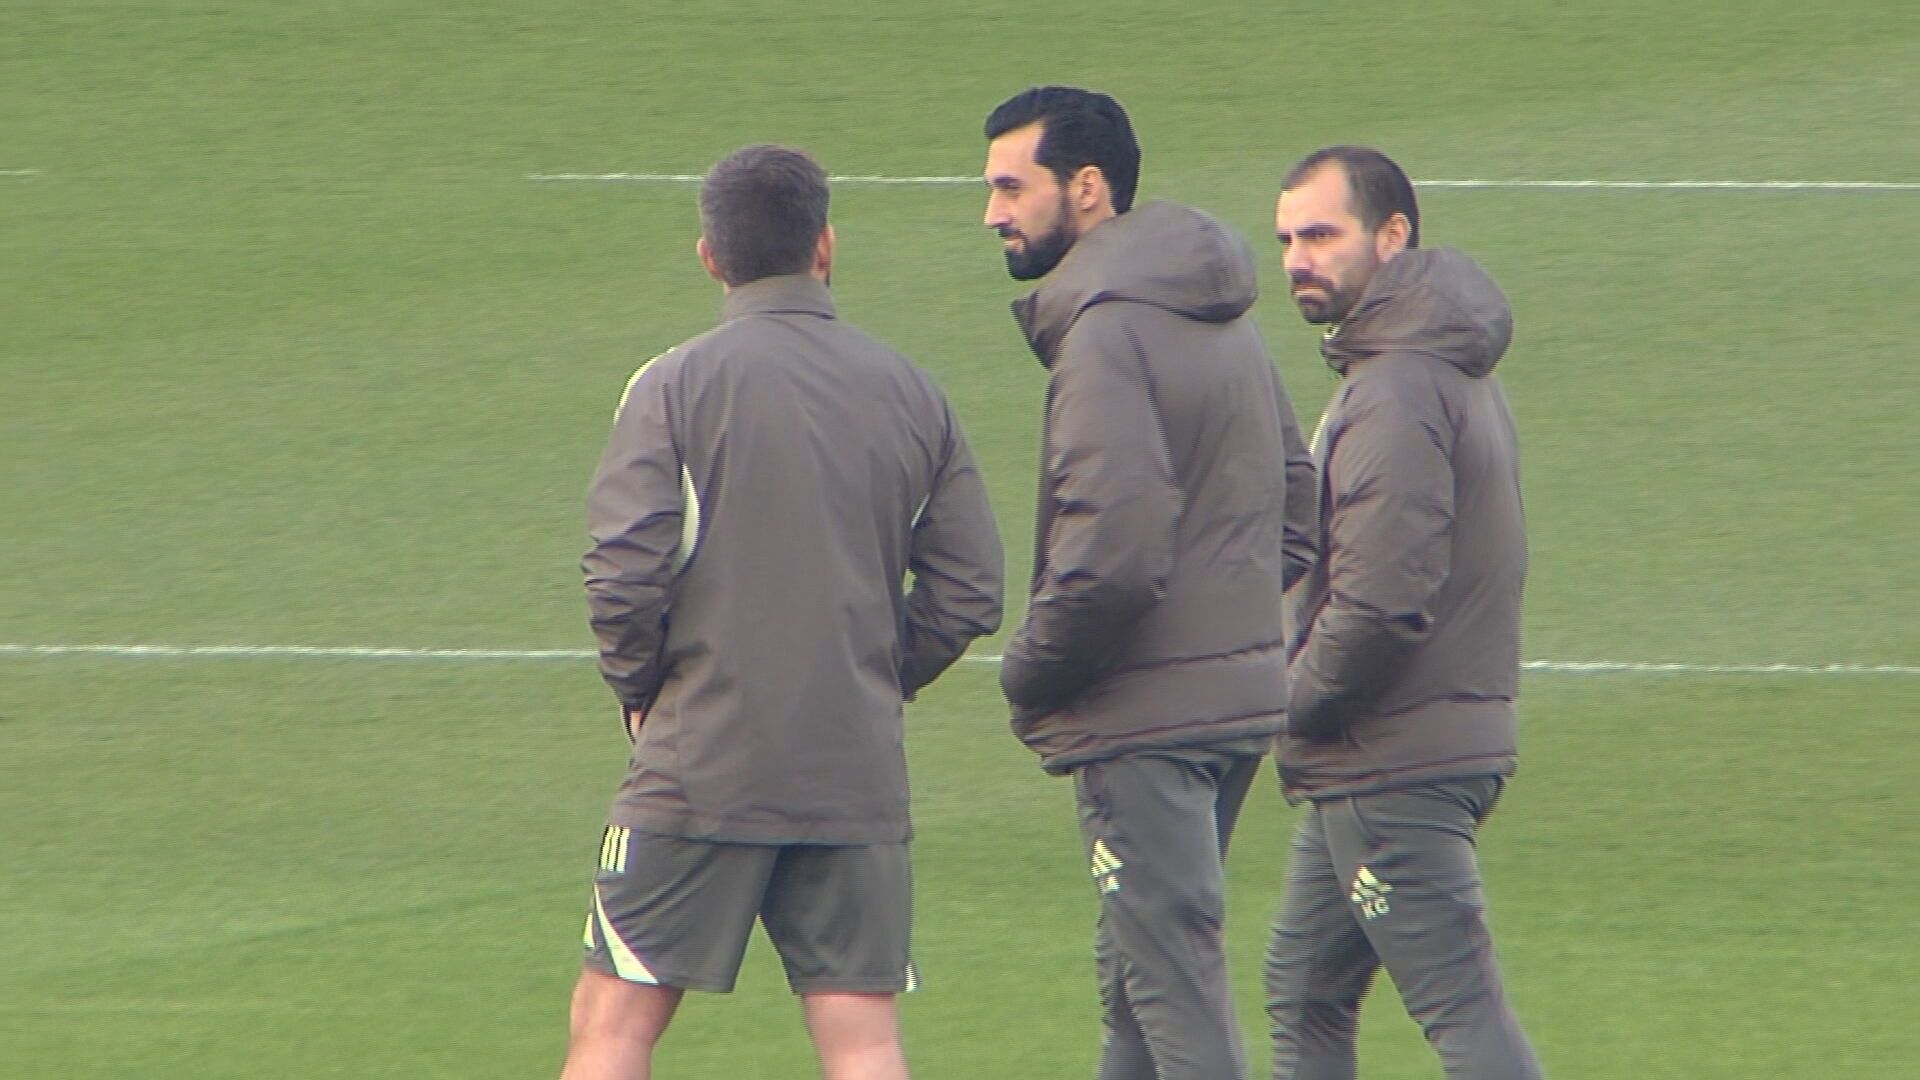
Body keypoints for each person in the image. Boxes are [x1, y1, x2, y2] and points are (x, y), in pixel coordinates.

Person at [561, 144, 1005, 1080]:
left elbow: (622, 573)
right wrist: (875, 672)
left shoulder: (674, 387)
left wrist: (642, 693)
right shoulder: (913, 391)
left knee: (613, 1026)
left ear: (710, 258)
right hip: (852, 770)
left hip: (700, 761)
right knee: (864, 1037)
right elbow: (971, 587)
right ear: (826, 246)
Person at [980, 86, 1317, 1080]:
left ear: (1086, 189)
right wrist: (1231, 622)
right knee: (1136, 979)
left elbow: (1110, 553)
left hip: (1149, 721)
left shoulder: (1106, 333)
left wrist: (1031, 671)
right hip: (1236, 702)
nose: (992, 211)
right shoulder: (1226, 320)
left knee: (1172, 987)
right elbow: (1300, 507)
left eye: (1011, 185)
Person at [1265, 145, 1545, 1080]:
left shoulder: (1397, 390)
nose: (1298, 257)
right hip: (1407, 743)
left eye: (1321, 235)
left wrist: (1288, 701)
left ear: (1393, 236)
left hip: (1393, 754)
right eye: (1287, 238)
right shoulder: (1436, 369)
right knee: (1302, 991)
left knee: (1463, 1017)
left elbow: (1383, 602)